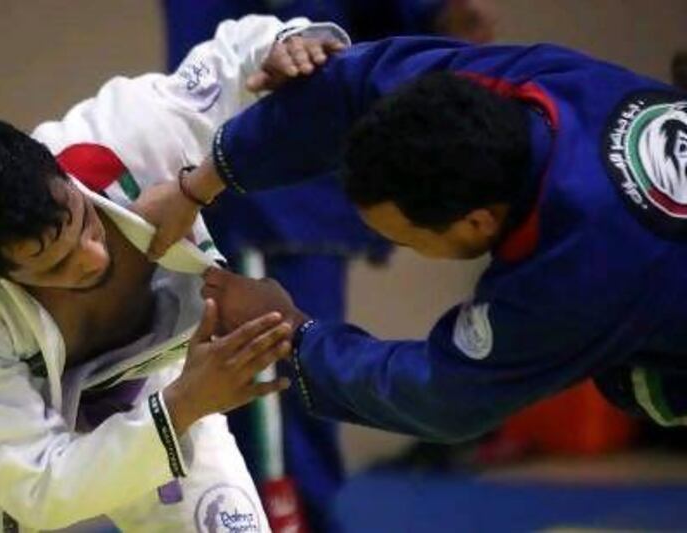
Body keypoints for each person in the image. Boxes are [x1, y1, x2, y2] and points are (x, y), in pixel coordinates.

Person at [0, 16, 346, 532]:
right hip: (4, 424)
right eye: (55, 264)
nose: (92, 257)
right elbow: (40, 490)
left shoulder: (127, 136)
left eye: (84, 224)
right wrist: (186, 403)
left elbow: (236, 57)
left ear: (59, 172)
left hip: (148, 381)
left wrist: (289, 44)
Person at [144, 35, 687, 444]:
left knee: (635, 380)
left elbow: (442, 394)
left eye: (405, 238)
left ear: (476, 221)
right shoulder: (527, 83)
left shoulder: (573, 269)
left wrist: (295, 335)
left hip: (649, 285)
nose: (398, 247)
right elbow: (351, 85)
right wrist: (199, 183)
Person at [163, 2, 497, 531]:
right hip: (229, 181)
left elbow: (453, 22)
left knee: (287, 396)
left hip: (282, 189)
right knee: (232, 402)